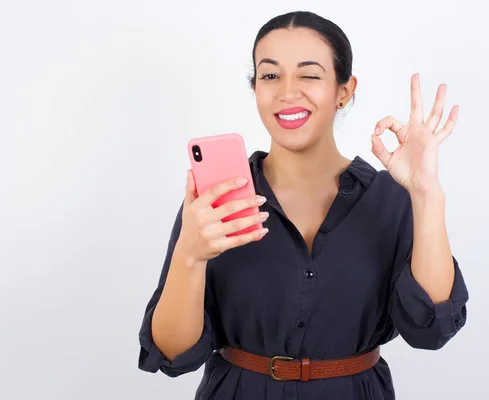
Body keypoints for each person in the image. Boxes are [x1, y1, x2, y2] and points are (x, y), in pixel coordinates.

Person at [137, 10, 469, 400]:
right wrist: (189, 257)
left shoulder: (390, 199)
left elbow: (431, 329)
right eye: (270, 75)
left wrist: (426, 194)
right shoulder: (213, 203)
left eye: (309, 75)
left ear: (343, 90)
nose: (287, 92)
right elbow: (174, 355)